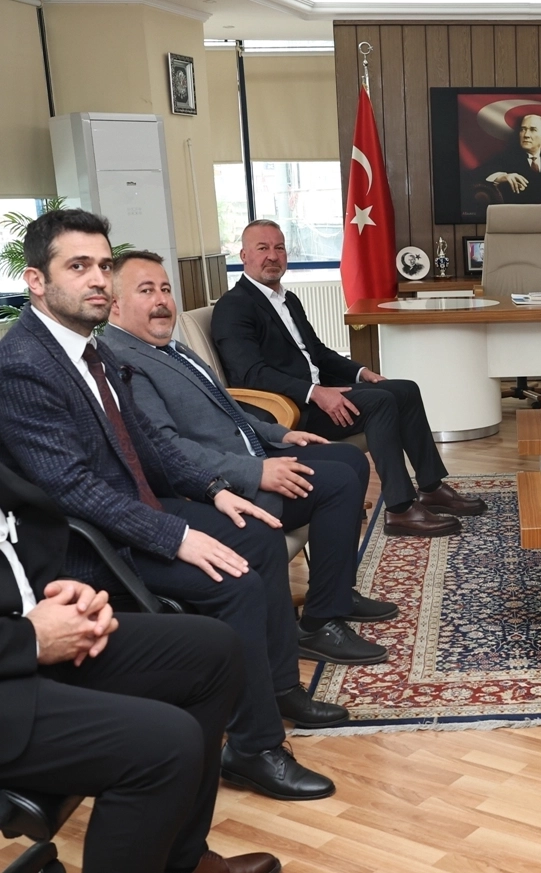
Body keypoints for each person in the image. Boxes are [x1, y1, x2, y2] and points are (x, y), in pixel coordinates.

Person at [0, 209, 339, 802]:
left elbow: (150, 446)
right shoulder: (23, 364)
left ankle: (278, 687)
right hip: (85, 544)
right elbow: (71, 488)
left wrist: (215, 490)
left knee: (258, 536)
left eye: (102, 265)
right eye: (77, 266)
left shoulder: (91, 349)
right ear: (36, 281)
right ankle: (254, 747)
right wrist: (177, 536)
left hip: (137, 512)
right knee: (234, 578)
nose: (98, 279)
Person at [102, 249, 395, 665]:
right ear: (114, 305)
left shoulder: (171, 348)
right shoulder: (124, 362)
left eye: (165, 289)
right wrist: (255, 471)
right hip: (219, 486)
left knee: (347, 458)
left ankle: (337, 592)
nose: (162, 300)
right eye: (146, 291)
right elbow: (168, 450)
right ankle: (319, 623)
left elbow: (229, 408)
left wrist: (282, 433)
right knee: (338, 482)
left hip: (248, 451)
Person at [0, 464, 280, 873]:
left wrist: (63, 590)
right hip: (14, 659)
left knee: (213, 651)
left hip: (24, 634)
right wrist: (34, 640)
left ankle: (180, 861)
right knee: (165, 744)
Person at [211, 220, 486, 537]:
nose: (272, 256)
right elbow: (251, 374)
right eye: (262, 248)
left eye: (279, 248)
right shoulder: (234, 307)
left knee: (405, 390)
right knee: (380, 402)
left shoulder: (288, 300)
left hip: (314, 394)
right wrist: (316, 393)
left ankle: (431, 488)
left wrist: (360, 372)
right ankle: (400, 510)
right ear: (244, 255)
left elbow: (317, 352)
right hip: (289, 410)